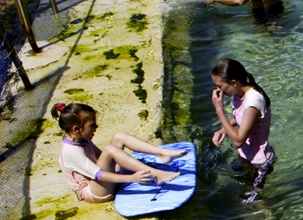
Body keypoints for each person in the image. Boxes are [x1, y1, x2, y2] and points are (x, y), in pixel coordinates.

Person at [51, 101, 182, 202]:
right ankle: (156, 174)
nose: (96, 127)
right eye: (92, 125)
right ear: (77, 129)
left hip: (100, 180)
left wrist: (121, 160)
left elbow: (102, 157)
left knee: (119, 136)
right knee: (110, 150)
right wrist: (132, 178)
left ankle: (161, 152)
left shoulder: (80, 138)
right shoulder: (71, 152)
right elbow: (100, 175)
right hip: (95, 191)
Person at [210, 58, 274, 203]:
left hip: (258, 162)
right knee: (243, 192)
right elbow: (244, 118)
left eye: (220, 86)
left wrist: (219, 110)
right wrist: (224, 129)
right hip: (246, 156)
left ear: (233, 82)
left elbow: (238, 140)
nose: (217, 91)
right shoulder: (239, 94)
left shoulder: (253, 101)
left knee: (252, 200)